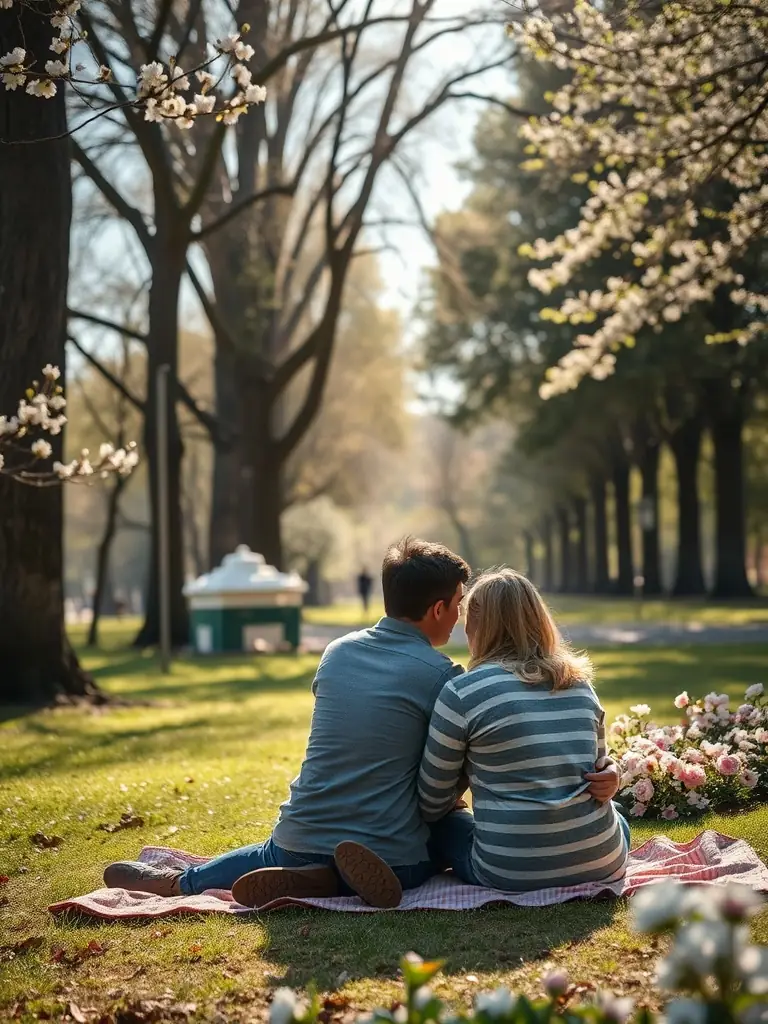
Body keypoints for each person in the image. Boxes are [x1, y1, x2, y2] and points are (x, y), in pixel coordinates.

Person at [103, 543, 619, 908]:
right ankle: (333, 878)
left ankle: (184, 883)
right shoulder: (447, 677)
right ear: (438, 608)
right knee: (443, 824)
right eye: (458, 606)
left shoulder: (336, 652)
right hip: (396, 857)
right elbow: (442, 785)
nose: (461, 619)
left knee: (272, 848)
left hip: (300, 832)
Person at [418, 568, 630, 893]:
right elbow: (597, 774)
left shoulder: (462, 692)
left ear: (478, 627)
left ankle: (404, 865)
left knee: (447, 826)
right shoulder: (579, 684)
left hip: (509, 870)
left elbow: (431, 803)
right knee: (615, 816)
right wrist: (612, 773)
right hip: (603, 862)